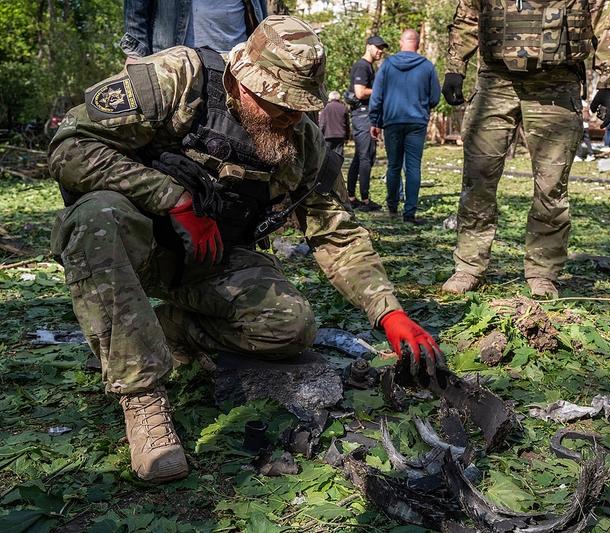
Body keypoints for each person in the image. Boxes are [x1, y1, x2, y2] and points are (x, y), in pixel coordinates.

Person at [49, 16, 445, 484]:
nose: (288, 117)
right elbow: (69, 148)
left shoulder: (302, 144)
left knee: (291, 326)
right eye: (276, 104)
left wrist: (388, 312)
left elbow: (335, 232)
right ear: (241, 80)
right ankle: (144, 400)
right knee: (97, 217)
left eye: (298, 107)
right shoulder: (177, 79)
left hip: (212, 260)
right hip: (134, 249)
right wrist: (168, 197)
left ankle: (168, 329)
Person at [440, 0, 610, 298]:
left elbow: (607, 22)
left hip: (557, 84)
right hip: (495, 83)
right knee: (478, 179)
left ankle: (542, 272)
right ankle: (469, 267)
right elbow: (468, 15)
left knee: (551, 186)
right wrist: (455, 68)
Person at [369, 29, 440, 224]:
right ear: (418, 44)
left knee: (393, 165)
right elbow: (435, 98)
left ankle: (392, 207)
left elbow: (377, 96)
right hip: (417, 122)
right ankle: (409, 214)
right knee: (413, 167)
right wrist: (422, 106)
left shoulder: (387, 65)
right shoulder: (427, 67)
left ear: (401, 43)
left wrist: (374, 121)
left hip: (392, 121)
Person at [120, 0, 267, 58]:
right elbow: (136, 8)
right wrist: (135, 55)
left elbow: (259, 11)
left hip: (235, 62)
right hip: (177, 61)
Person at [346, 35, 388, 211]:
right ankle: (364, 200)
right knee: (366, 157)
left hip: (363, 116)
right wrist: (382, 89)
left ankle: (350, 196)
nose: (380, 51)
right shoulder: (362, 66)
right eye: (377, 47)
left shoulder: (368, 67)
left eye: (382, 48)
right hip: (363, 117)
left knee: (359, 157)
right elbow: (360, 92)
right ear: (368, 46)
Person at [319, 90, 350, 157]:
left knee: (327, 155)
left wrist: (320, 135)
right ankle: (337, 167)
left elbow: (322, 123)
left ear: (330, 98)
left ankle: (328, 167)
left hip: (328, 135)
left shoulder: (326, 108)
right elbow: (347, 124)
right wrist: (347, 137)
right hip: (340, 136)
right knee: (338, 155)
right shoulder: (343, 108)